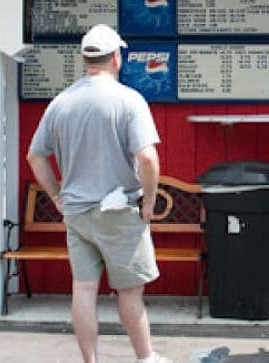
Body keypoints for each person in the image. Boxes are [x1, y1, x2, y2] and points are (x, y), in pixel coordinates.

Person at [26, 24, 170, 363]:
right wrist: (149, 200)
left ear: (84, 59)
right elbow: (147, 157)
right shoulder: (128, 100)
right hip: (120, 210)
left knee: (84, 289)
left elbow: (35, 156)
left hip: (76, 212)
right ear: (116, 58)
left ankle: (90, 360)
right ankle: (145, 357)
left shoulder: (61, 103)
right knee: (130, 291)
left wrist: (56, 195)